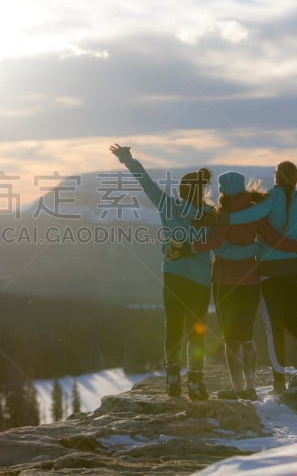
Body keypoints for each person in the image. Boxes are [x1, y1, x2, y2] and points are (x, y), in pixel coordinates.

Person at [196, 134, 297, 393]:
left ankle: (278, 380)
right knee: (294, 320)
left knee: (274, 328)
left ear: (277, 176)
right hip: (296, 270)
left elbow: (248, 216)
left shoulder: (269, 201)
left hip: (270, 272)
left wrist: (220, 220)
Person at [168, 171, 297, 400]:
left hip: (225, 281)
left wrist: (187, 249)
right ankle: (250, 387)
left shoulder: (224, 215)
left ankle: (237, 387)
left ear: (223, 191)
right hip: (250, 280)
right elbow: (273, 240)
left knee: (231, 336)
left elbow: (212, 243)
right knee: (246, 333)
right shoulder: (257, 214)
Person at [109, 143, 213, 400]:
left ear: (183, 191)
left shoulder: (169, 206)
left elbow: (146, 183)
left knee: (173, 330)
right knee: (196, 331)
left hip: (174, 277)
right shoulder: (211, 214)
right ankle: (197, 382)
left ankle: (173, 378)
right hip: (200, 281)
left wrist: (128, 159)